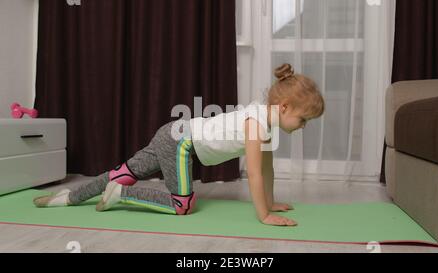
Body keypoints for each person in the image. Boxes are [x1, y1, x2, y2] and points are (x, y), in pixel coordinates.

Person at [33, 63, 325, 226]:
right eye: (303, 120)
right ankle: (122, 195)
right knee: (181, 206)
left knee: (125, 170)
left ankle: (66, 198)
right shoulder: (257, 122)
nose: (303, 127)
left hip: (172, 133)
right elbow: (256, 174)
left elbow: (267, 170)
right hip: (180, 142)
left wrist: (271, 202)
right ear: (284, 107)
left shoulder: (266, 123)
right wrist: (264, 215)